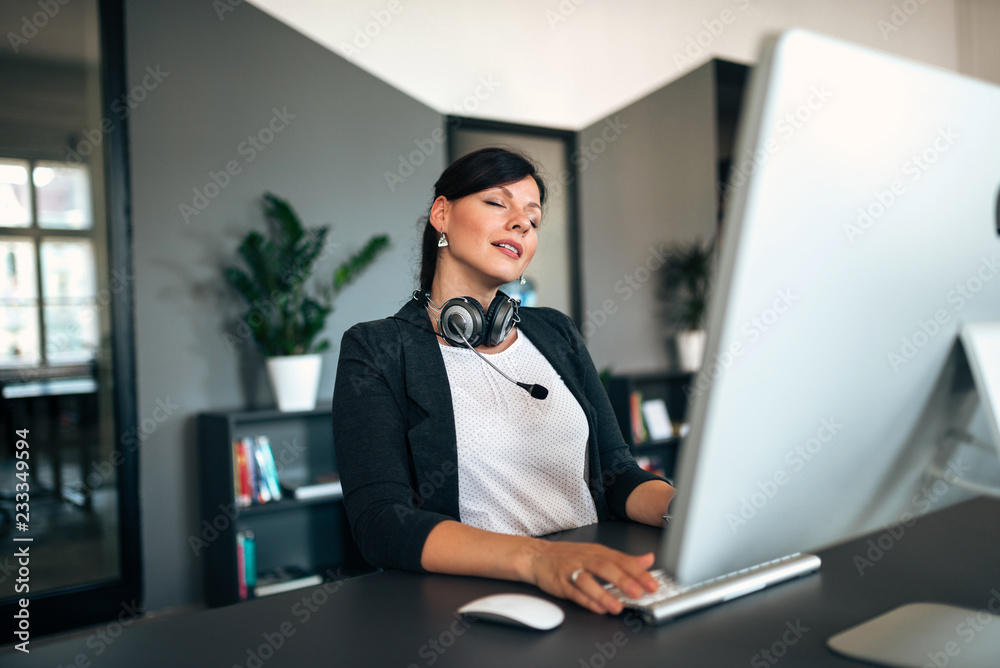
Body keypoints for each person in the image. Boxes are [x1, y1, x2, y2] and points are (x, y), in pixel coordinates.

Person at [332, 147, 676, 615]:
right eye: (498, 203)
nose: (521, 224)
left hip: (593, 578)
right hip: (484, 598)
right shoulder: (377, 349)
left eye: (532, 220)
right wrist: (540, 559)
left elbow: (617, 474)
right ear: (442, 214)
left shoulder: (556, 332)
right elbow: (381, 523)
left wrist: (690, 509)